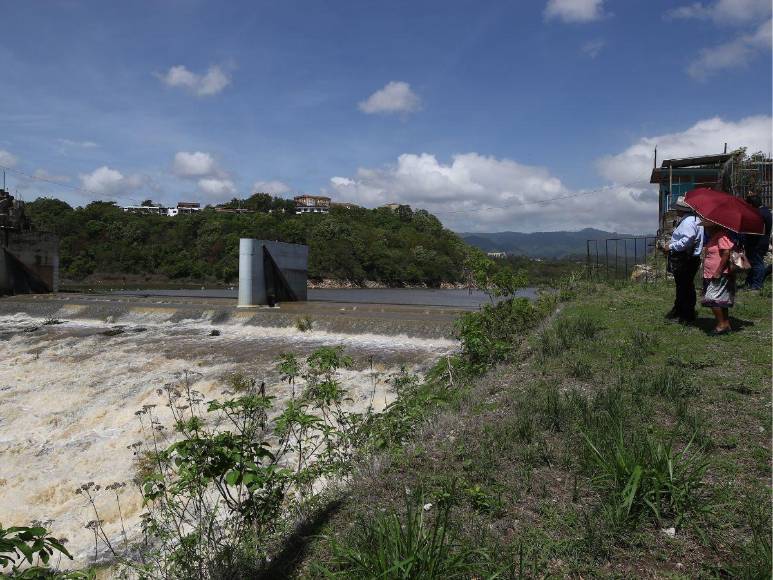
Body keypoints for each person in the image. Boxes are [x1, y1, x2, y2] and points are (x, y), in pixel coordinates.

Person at [662, 197, 703, 323]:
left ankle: (686, 315)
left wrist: (671, 246)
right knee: (685, 285)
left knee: (684, 287)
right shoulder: (694, 220)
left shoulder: (688, 222)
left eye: (677, 208)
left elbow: (687, 240)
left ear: (681, 209)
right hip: (689, 258)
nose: (676, 210)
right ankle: (680, 310)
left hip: (685, 258)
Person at [701, 221, 736, 335]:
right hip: (711, 273)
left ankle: (721, 325)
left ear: (714, 227)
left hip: (718, 273)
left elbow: (726, 253)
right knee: (721, 300)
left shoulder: (721, 236)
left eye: (707, 227)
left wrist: (719, 271)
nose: (706, 230)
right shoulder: (715, 237)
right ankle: (726, 324)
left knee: (711, 298)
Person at [742, 192, 772, 290]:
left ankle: (756, 285)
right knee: (754, 263)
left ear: (751, 205)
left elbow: (753, 229)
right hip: (762, 242)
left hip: (756, 243)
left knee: (757, 264)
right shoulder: (766, 211)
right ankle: (749, 283)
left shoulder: (758, 214)